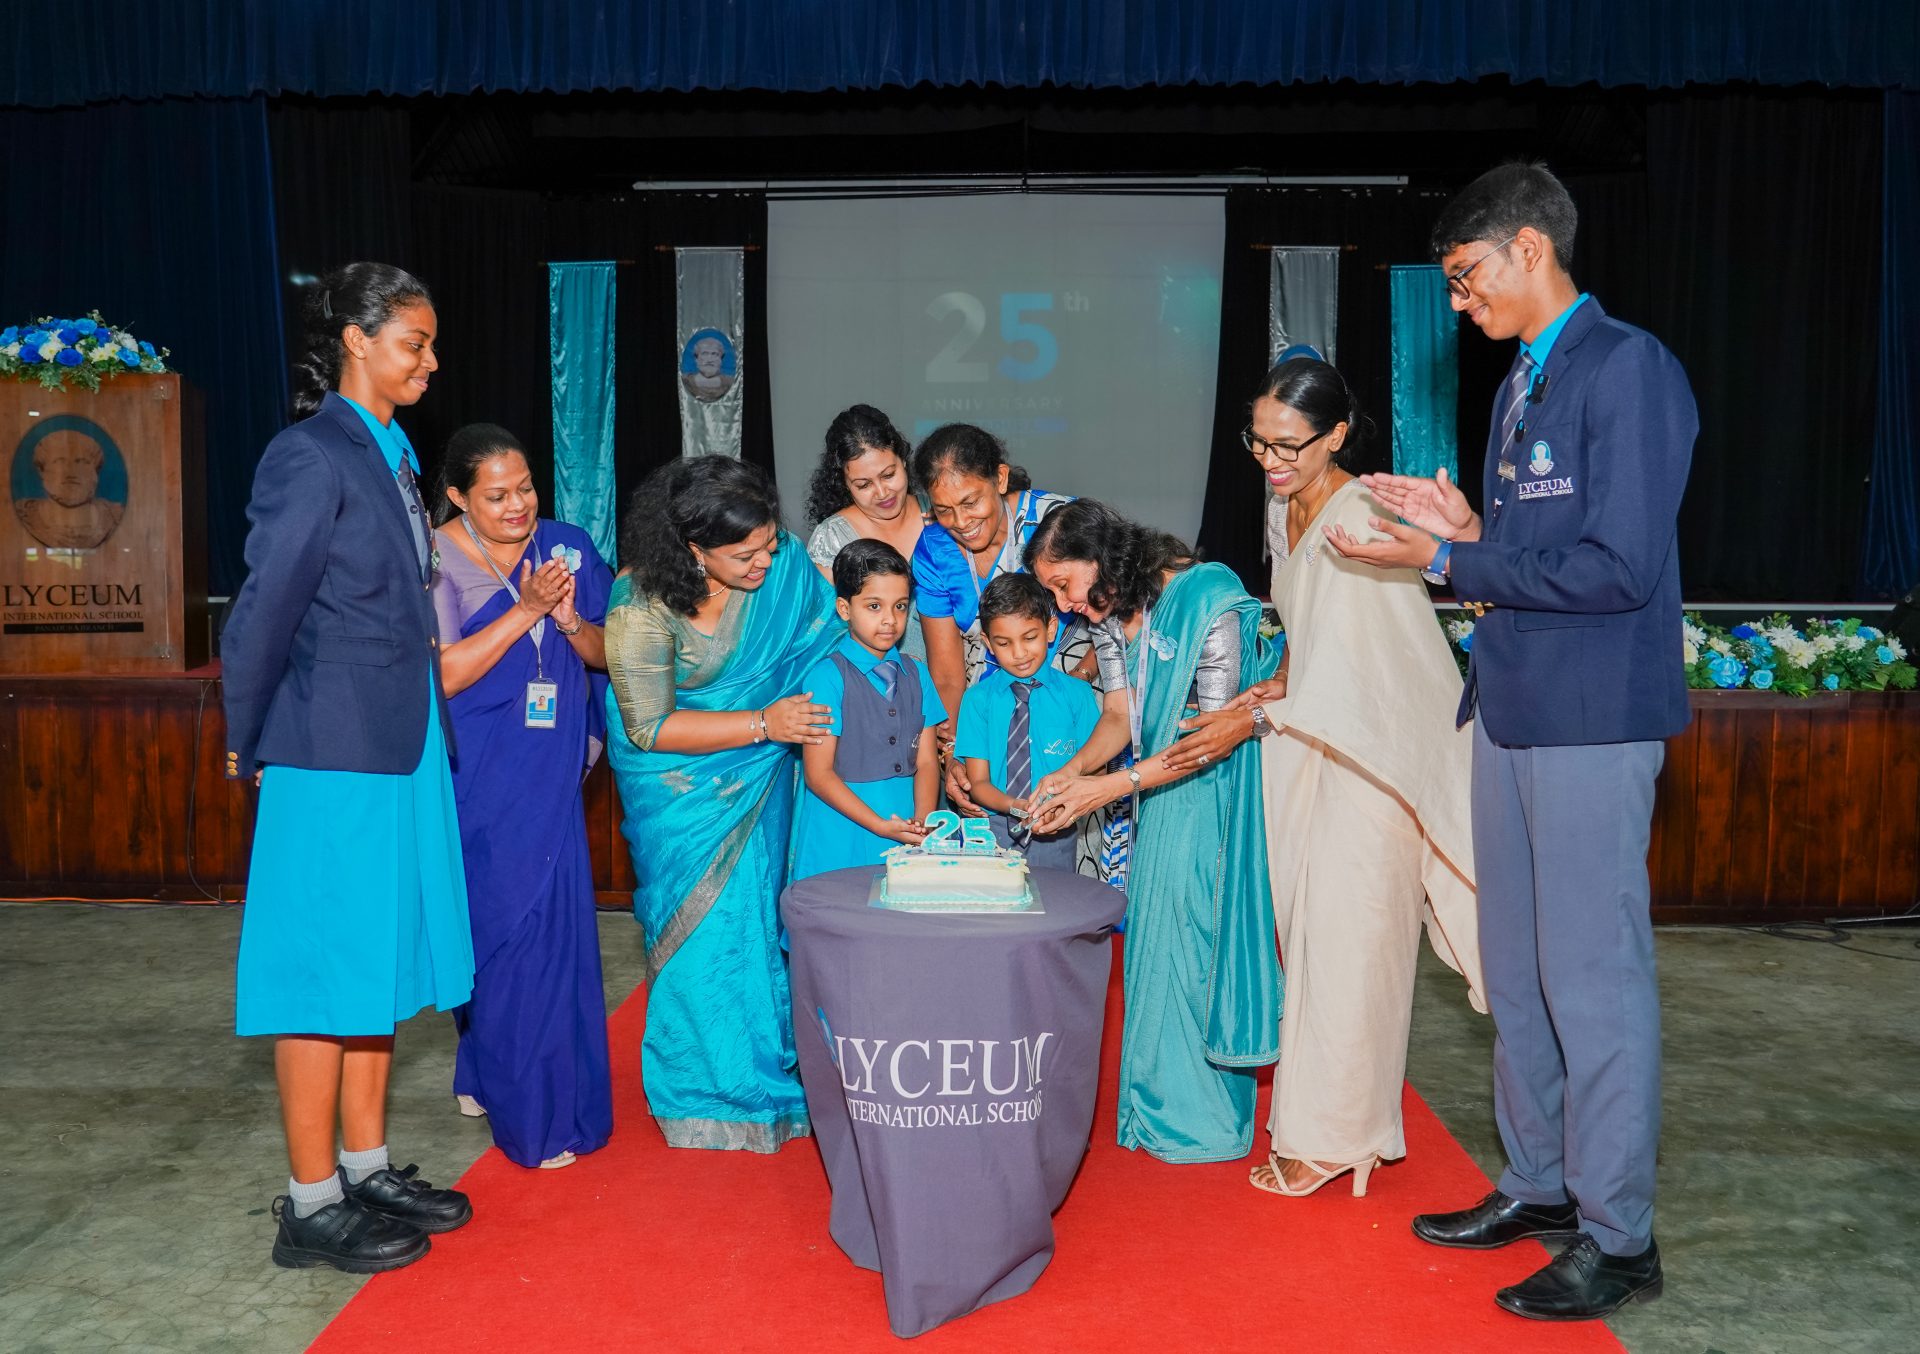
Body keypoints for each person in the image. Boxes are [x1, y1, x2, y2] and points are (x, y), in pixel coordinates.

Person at [1328, 162, 1695, 1321]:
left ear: (1530, 248)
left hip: (1593, 719)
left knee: (1594, 980)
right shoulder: (1520, 385)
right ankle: (1539, 1184)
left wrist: (1444, 561)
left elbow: (1620, 566)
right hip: (1514, 708)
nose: (1459, 301)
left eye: (1466, 275)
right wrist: (1469, 528)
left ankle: (1619, 1232)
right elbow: (1534, 558)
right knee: (1521, 973)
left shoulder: (1626, 367)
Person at [1161, 358, 1485, 1201]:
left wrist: (1249, 716)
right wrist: (1274, 683)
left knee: (1353, 946)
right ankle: (1321, 1121)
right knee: (1305, 939)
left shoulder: (1363, 510)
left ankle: (1339, 1139)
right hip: (1314, 743)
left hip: (1376, 759)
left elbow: (1370, 665)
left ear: (1337, 435)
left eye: (1290, 446)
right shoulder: (1283, 505)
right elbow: (1313, 634)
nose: (1271, 462)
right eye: (1258, 443)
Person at [222, 262, 474, 1273]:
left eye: (431, 343)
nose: (428, 359)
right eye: (413, 341)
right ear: (357, 341)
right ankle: (310, 1200)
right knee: (317, 975)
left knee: (376, 962)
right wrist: (250, 734)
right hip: (329, 750)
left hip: (396, 743)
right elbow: (265, 608)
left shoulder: (395, 454)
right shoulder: (310, 453)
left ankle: (365, 1164)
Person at [1024, 500, 1281, 1163]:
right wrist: (1071, 774)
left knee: (1192, 946)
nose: (1064, 606)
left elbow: (1210, 740)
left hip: (1207, 801)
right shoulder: (1112, 613)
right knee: (1151, 952)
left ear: (1101, 558)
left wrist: (1106, 788)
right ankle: (1155, 1108)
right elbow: (1120, 716)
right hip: (1152, 798)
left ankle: (1202, 1121)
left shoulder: (1208, 597)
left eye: (1063, 585)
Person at [603, 455, 839, 1151]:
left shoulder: (784, 567)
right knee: (709, 931)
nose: (767, 561)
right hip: (683, 791)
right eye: (746, 554)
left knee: (763, 920)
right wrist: (765, 723)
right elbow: (649, 727)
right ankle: (709, 1094)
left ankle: (777, 1074)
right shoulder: (640, 608)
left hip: (767, 774)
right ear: (691, 548)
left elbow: (822, 635)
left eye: (771, 542)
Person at [429, 423, 614, 1171]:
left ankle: (490, 1074)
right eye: (496, 496)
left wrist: (567, 616)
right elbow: (442, 676)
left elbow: (609, 655)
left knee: (549, 940)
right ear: (457, 498)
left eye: (527, 487)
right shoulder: (435, 560)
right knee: (501, 938)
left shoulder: (565, 546)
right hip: (478, 775)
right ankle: (529, 1118)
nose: (518, 506)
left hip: (552, 774)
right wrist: (527, 609)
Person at [909, 423, 1126, 882]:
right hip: (988, 701)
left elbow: (1114, 618)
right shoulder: (931, 548)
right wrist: (955, 756)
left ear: (1001, 479)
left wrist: (1073, 683)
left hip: (1083, 679)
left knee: (1078, 853)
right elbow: (948, 672)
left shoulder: (1056, 522)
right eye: (943, 510)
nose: (961, 522)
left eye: (971, 502)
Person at [790, 539, 944, 879]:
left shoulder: (917, 674)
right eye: (874, 606)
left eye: (900, 606)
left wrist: (920, 822)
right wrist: (878, 825)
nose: (890, 620)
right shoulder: (826, 678)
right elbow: (818, 775)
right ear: (845, 609)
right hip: (840, 830)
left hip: (904, 825)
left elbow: (927, 760)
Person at [955, 573, 1101, 872]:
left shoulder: (1077, 695)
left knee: (1054, 910)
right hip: (990, 833)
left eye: (1029, 638)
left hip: (1057, 829)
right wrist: (1015, 806)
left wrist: (1063, 809)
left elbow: (1095, 770)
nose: (1019, 653)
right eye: (1004, 643)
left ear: (1050, 629)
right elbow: (978, 784)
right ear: (988, 643)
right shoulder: (977, 700)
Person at [804, 404, 930, 661]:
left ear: (903, 460)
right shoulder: (833, 538)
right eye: (864, 485)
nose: (882, 493)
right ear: (845, 483)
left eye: (888, 475)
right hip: (872, 686)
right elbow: (821, 633)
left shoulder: (941, 514)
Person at [13, 427, 124, 549]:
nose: (70, 472)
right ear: (42, 470)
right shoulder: (24, 515)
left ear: (95, 471)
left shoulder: (115, 517)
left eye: (81, 462)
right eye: (59, 461)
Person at [680, 332, 735, 403]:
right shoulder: (685, 381)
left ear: (721, 358)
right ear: (696, 358)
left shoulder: (731, 383)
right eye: (704, 353)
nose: (709, 359)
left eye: (714, 354)